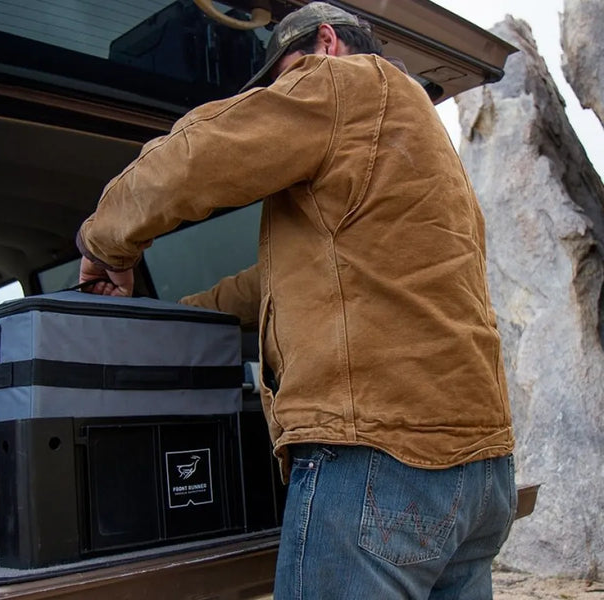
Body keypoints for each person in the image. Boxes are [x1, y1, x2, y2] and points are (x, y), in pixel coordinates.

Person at [76, 3, 515, 598]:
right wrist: (176, 315)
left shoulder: (346, 81)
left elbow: (195, 158)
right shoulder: (427, 152)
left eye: (285, 76)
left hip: (378, 457)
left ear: (326, 43)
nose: (285, 94)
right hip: (481, 471)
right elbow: (280, 284)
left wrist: (105, 245)